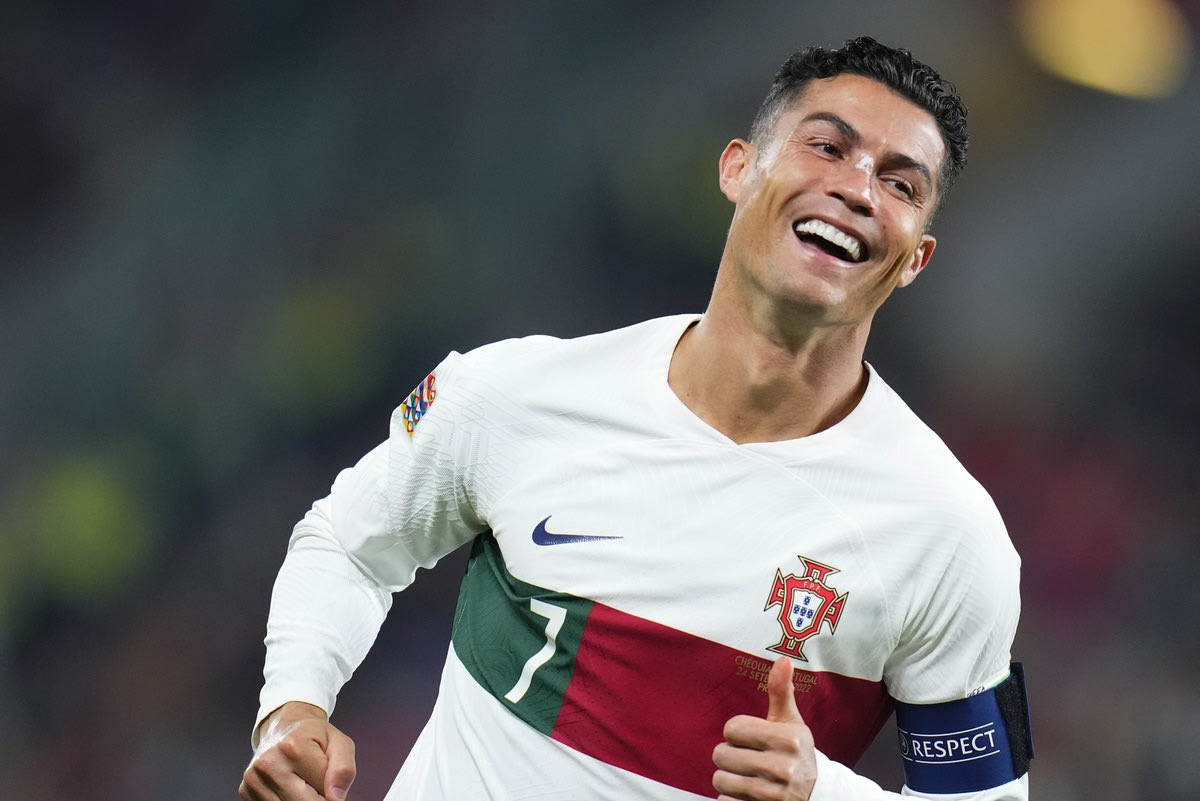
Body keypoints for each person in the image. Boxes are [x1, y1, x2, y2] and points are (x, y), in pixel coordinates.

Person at [239, 36, 1032, 801]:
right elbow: (346, 542)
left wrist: (821, 792)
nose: (858, 189)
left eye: (901, 185)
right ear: (738, 168)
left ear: (916, 258)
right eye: (828, 147)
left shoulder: (951, 536)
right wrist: (293, 708)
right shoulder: (515, 393)